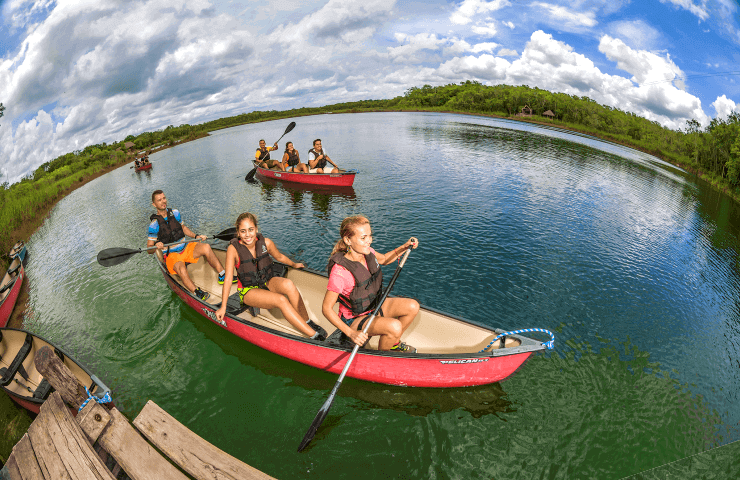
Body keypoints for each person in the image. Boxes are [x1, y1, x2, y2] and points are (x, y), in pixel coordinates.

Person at [215, 212, 326, 340]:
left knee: (288, 284)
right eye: (243, 231)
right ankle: (314, 336)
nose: (248, 235)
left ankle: (307, 321)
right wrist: (223, 306)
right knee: (281, 300)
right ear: (238, 233)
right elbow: (228, 279)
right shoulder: (233, 249)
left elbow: (279, 257)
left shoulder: (266, 243)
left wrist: (294, 264)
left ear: (256, 229)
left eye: (251, 230)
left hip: (266, 281)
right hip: (248, 291)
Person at [322, 215, 419, 353]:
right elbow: (326, 309)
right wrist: (351, 333)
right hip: (354, 320)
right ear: (348, 240)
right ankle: (382, 357)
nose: (369, 241)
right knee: (395, 326)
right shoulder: (340, 273)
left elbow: (385, 259)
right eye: (363, 238)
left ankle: (393, 344)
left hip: (373, 307)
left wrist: (405, 247)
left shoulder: (369, 253)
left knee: (412, 306)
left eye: (369, 236)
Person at [147, 190, 233, 301]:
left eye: (164, 198)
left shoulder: (175, 213)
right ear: (154, 204)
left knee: (206, 247)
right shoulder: (154, 225)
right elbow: (149, 248)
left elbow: (183, 228)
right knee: (182, 268)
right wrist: (155, 245)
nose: (163, 201)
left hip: (185, 248)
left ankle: (222, 274)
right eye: (159, 200)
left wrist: (196, 236)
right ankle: (197, 292)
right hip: (172, 255)